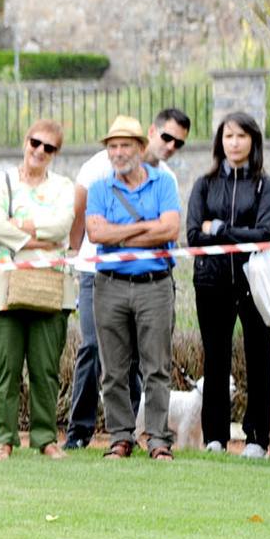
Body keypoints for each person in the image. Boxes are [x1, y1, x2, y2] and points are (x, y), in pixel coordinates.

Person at [65, 107, 190, 449]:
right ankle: (120, 438)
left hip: (154, 284)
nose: (118, 153)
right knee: (113, 369)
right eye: (113, 147)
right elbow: (96, 232)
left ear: (139, 146)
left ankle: (157, 439)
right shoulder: (100, 185)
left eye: (125, 146)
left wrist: (120, 232)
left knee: (156, 368)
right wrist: (145, 228)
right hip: (109, 284)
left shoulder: (164, 181)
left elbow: (170, 227)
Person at [0, 120, 77, 460]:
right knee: (4, 365)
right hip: (1, 283)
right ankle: (4, 439)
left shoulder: (63, 186)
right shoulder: (0, 180)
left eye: (49, 147)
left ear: (56, 153)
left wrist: (16, 228)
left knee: (45, 367)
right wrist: (37, 235)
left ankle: (46, 438)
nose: (40, 151)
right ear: (25, 141)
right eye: (36, 143)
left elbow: (63, 226)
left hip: (49, 284)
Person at [187, 111, 270, 459]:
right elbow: (195, 235)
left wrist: (221, 229)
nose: (234, 142)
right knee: (216, 359)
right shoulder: (204, 184)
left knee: (258, 358)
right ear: (219, 142)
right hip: (211, 282)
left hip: (254, 281)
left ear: (253, 140)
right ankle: (215, 438)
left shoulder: (265, 185)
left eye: (241, 136)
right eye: (228, 136)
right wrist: (223, 232)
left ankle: (257, 437)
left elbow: (264, 234)